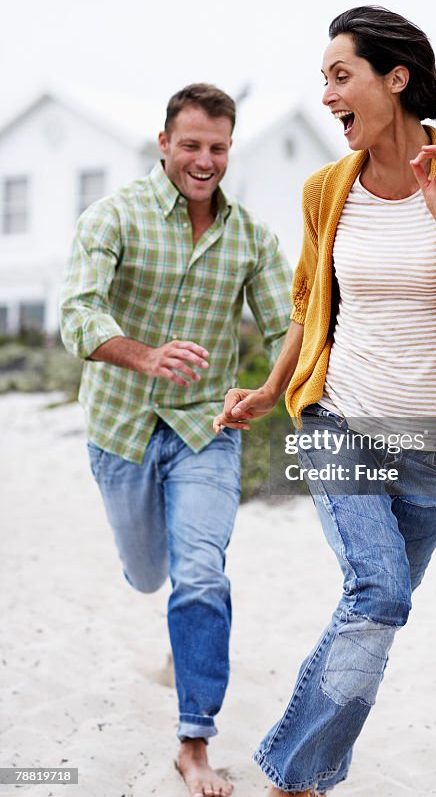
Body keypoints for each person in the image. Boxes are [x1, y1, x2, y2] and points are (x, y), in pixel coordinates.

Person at [214, 6, 436, 796]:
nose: (327, 96)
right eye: (323, 80)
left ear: (395, 79)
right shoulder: (325, 189)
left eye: (340, 76)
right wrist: (269, 389)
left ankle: (305, 770)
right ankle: (294, 779)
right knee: (380, 591)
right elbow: (309, 304)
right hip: (340, 420)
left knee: (379, 613)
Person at [60, 83, 292, 797]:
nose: (204, 160)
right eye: (190, 145)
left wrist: (272, 391)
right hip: (121, 429)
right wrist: (145, 354)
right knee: (148, 573)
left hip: (205, 430)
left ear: (230, 148)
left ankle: (194, 742)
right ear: (165, 143)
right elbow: (76, 314)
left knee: (201, 574)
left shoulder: (251, 237)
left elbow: (288, 326)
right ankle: (166, 610)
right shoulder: (115, 216)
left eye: (217, 147)